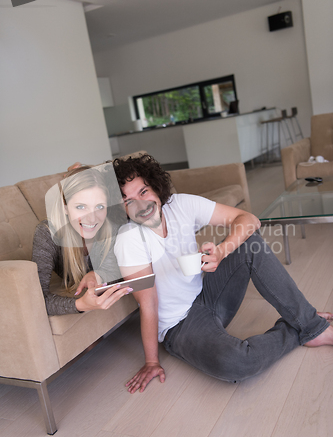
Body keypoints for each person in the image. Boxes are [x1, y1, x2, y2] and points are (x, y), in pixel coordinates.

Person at [112, 154, 333, 393]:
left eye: (143, 192)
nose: (140, 205)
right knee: (238, 362)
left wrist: (221, 251)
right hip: (180, 326)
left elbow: (248, 219)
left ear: (155, 186)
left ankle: (310, 324)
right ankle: (301, 325)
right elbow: (148, 304)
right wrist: (152, 362)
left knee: (251, 243)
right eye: (128, 200)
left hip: (208, 295)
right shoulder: (128, 239)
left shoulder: (180, 205)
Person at [32, 165, 131, 315]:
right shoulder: (47, 233)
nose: (91, 218)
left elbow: (115, 272)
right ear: (65, 207)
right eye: (80, 207)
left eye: (99, 206)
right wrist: (80, 304)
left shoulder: (113, 228)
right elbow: (36, 299)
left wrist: (98, 275)